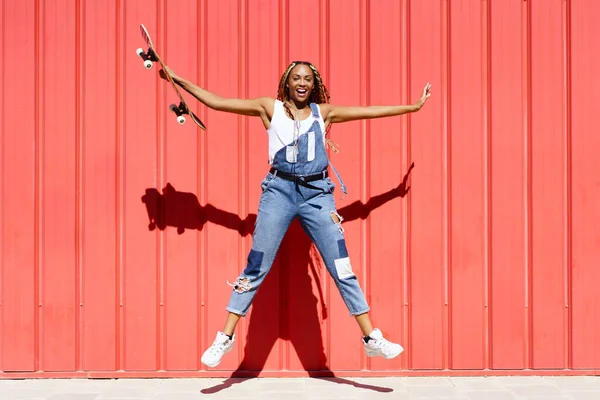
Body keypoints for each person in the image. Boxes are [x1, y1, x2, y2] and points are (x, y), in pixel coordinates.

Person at [159, 61, 432, 368]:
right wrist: (177, 78)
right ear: (287, 83)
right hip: (279, 191)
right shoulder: (269, 108)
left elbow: (367, 111)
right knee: (255, 265)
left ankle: (371, 339)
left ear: (313, 85)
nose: (302, 83)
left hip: (318, 195)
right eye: (296, 78)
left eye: (307, 79)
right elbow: (217, 103)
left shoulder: (322, 113)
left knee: (342, 267)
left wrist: (411, 108)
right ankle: (225, 337)